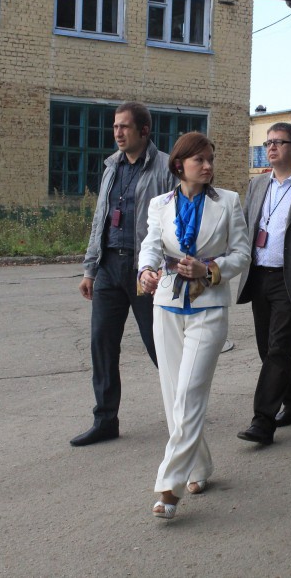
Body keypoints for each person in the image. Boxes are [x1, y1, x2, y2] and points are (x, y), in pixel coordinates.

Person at [137, 132, 250, 519]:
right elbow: (151, 243)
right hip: (167, 304)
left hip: (209, 306)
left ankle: (169, 487)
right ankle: (198, 466)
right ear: (179, 165)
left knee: (188, 393)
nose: (207, 166)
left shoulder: (228, 201)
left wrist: (210, 269)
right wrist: (146, 270)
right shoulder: (160, 204)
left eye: (210, 159)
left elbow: (242, 254)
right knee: (174, 397)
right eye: (199, 160)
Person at [71, 102, 176, 447]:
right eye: (115, 126)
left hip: (144, 270)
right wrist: (90, 269)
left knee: (158, 345)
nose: (118, 133)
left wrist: (163, 267)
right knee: (102, 344)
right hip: (108, 268)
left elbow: (176, 221)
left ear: (144, 131)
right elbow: (100, 219)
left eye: (125, 127)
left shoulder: (165, 168)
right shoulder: (111, 167)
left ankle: (183, 410)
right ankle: (105, 420)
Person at [235, 123, 291, 445]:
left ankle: (263, 421)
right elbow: (247, 227)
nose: (271, 147)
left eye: (279, 142)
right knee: (267, 349)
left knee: (278, 349)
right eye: (268, 142)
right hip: (260, 276)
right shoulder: (258, 184)